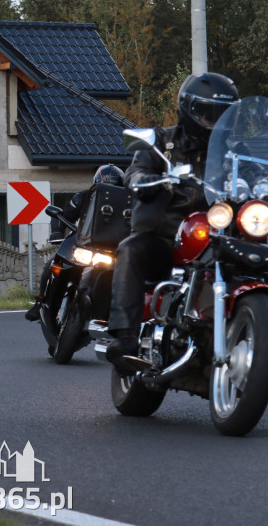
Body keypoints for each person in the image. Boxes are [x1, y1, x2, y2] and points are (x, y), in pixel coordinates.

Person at [105, 72, 239, 365]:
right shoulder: (162, 142)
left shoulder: (235, 153)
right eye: (208, 114)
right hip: (165, 240)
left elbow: (258, 176)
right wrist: (147, 180)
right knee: (131, 249)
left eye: (223, 115)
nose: (215, 122)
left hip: (217, 240)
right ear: (189, 110)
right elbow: (137, 171)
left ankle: (253, 340)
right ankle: (125, 336)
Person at [24, 164, 125, 323]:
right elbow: (64, 216)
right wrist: (57, 231)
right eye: (105, 187)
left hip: (110, 250)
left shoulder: (125, 204)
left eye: (114, 187)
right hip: (82, 244)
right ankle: (40, 302)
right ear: (97, 184)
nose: (109, 191)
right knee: (53, 265)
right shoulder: (83, 197)